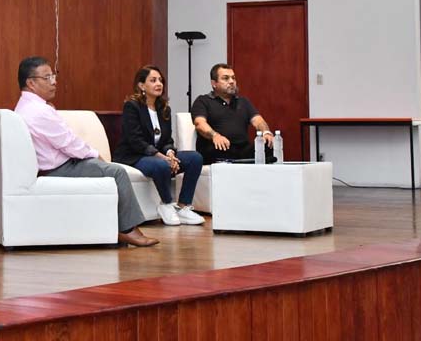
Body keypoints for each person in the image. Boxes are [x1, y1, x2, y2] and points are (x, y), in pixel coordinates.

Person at [14, 56, 158, 247]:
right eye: (47, 78)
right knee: (116, 172)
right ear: (31, 83)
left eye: (53, 76)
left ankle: (117, 227)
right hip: (59, 168)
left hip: (57, 164)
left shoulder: (28, 106)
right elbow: (68, 142)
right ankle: (128, 230)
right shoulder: (38, 111)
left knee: (109, 169)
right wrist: (95, 154)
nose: (54, 82)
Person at [112, 65, 204, 226]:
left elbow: (167, 140)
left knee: (194, 158)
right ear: (141, 85)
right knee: (161, 164)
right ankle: (167, 204)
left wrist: (170, 153)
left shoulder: (164, 109)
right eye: (153, 80)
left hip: (157, 156)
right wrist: (162, 157)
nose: (159, 84)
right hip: (134, 156)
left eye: (160, 80)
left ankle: (183, 207)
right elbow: (135, 140)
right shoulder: (132, 107)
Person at [191, 63, 275, 164]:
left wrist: (266, 132)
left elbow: (258, 120)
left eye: (233, 78)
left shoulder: (243, 101)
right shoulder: (203, 101)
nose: (231, 81)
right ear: (214, 83)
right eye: (226, 78)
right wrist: (215, 136)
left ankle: (243, 162)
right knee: (218, 149)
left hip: (242, 150)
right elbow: (200, 124)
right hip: (218, 148)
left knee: (268, 145)